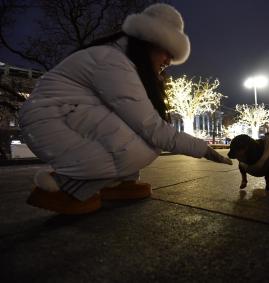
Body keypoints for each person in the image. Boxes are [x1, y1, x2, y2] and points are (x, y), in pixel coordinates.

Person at [19, 3, 232, 215]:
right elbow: (150, 126)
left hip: (59, 115)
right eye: (167, 52)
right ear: (150, 41)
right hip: (50, 121)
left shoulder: (118, 58)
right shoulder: (111, 61)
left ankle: (119, 183)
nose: (168, 61)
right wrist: (203, 149)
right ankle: (64, 188)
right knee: (145, 144)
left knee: (137, 138)